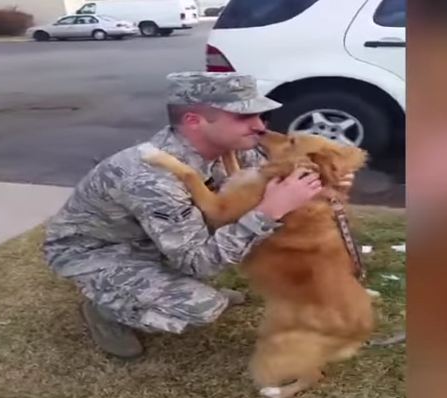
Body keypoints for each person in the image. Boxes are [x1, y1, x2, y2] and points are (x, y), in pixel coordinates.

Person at [43, 71, 352, 359]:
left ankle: (150, 282)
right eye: (244, 117)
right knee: (200, 306)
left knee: (262, 232)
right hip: (101, 251)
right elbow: (197, 261)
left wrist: (326, 182)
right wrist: (270, 210)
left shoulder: (239, 146)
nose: (260, 126)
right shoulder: (151, 177)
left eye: (260, 114)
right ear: (194, 120)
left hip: (160, 236)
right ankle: (106, 309)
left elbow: (278, 174)